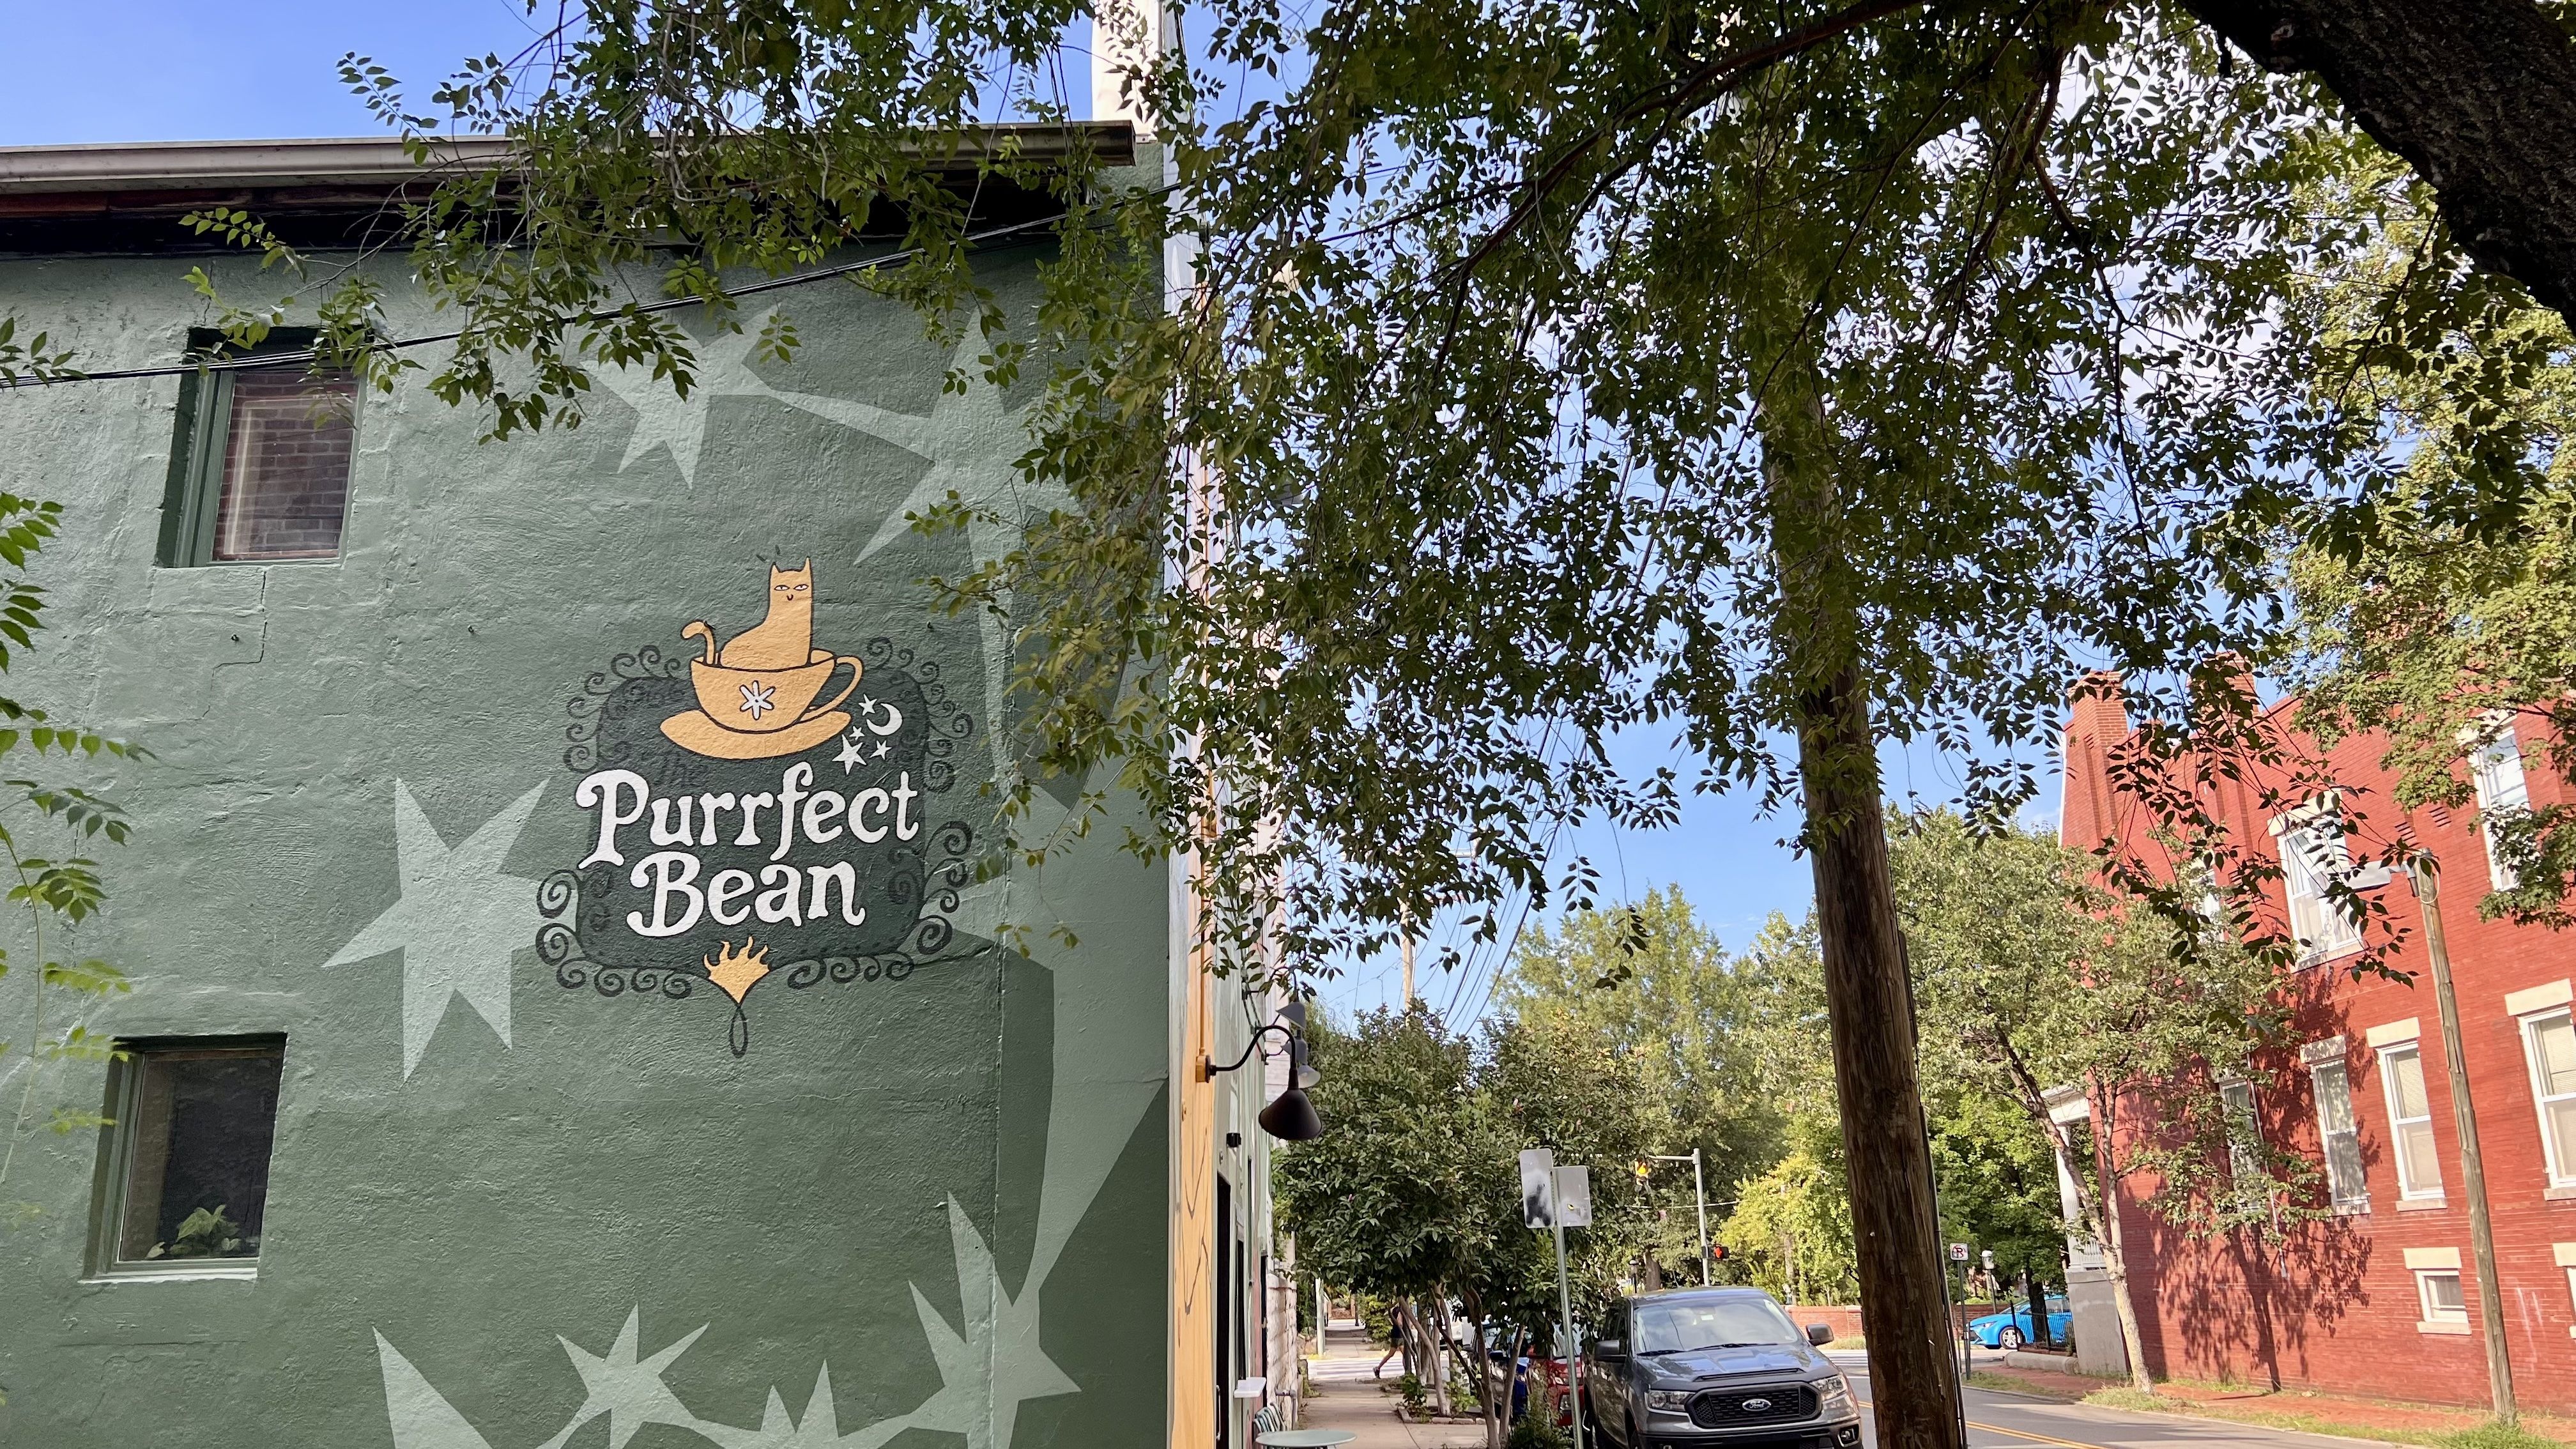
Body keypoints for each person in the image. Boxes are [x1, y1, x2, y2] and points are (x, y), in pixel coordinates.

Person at [1375, 1301, 1411, 1379]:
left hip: (1395, 1333)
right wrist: (1403, 1326)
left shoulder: (1395, 1310)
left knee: (1391, 1354)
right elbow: (1399, 1321)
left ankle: (1378, 1368)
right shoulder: (1401, 1311)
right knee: (1405, 1354)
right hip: (1399, 1334)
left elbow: (1392, 1319)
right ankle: (1407, 1373)